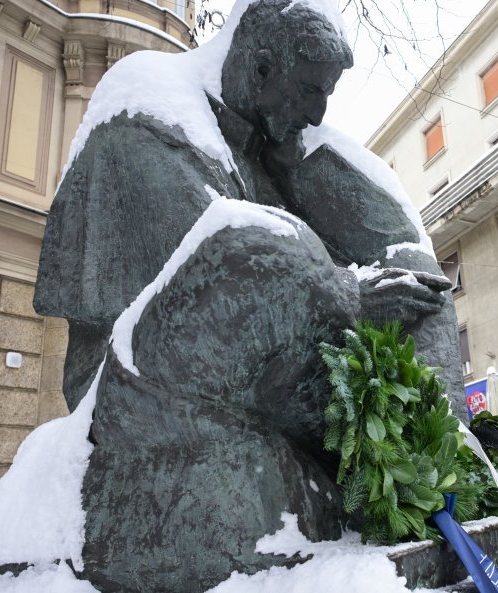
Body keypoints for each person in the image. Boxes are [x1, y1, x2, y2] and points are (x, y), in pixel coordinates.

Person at [33, 1, 462, 591]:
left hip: (276, 360)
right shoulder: (145, 118)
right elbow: (222, 267)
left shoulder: (274, 143)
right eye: (310, 89)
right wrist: (347, 293)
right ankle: (374, 461)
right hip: (133, 378)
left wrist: (307, 167)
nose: (318, 111)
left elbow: (396, 242)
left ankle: (429, 462)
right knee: (264, 242)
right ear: (260, 68)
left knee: (421, 284)